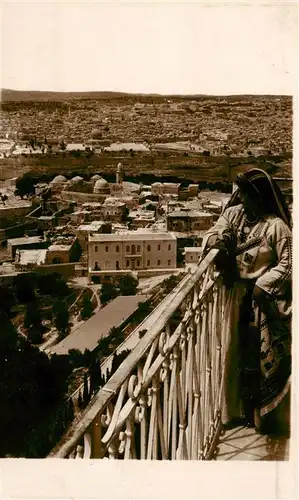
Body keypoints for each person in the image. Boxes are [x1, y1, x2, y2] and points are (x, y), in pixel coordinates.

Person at [202, 168, 292, 436]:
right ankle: (236, 412)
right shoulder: (233, 215)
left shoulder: (277, 226)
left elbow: (290, 264)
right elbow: (214, 233)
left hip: (264, 303)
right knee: (234, 353)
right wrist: (221, 240)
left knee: (261, 360)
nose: (240, 199)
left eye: (245, 195)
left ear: (258, 197)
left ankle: (262, 417)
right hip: (236, 298)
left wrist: (265, 284)